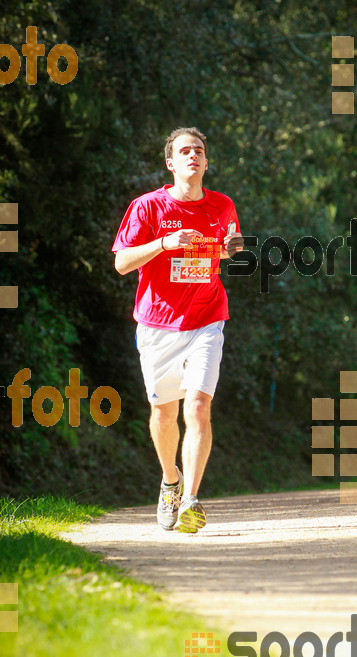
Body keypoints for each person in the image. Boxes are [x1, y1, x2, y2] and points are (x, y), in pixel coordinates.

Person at [112, 127, 243, 533]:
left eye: (199, 151)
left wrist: (233, 247)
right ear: (171, 163)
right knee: (163, 414)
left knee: (198, 407)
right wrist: (165, 244)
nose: (193, 156)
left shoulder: (222, 205)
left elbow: (231, 244)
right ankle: (171, 479)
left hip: (207, 318)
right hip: (157, 325)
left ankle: (191, 500)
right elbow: (121, 263)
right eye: (184, 151)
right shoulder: (147, 207)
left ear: (206, 162)